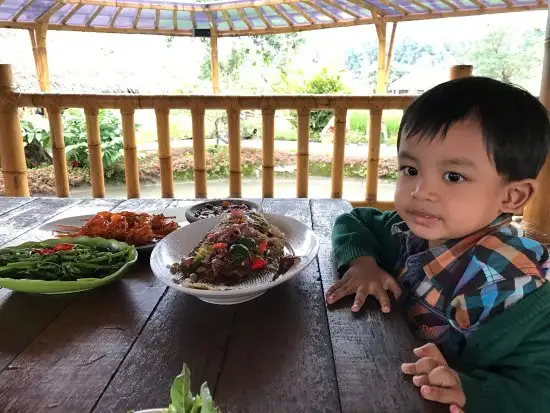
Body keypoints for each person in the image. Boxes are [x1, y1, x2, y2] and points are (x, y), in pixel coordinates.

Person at [327, 77, 550, 413]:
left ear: (512, 195)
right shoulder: (408, 233)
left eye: (453, 176)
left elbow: (539, 389)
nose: (420, 192)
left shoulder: (514, 288)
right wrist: (363, 264)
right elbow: (353, 220)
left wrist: (469, 390)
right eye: (410, 169)